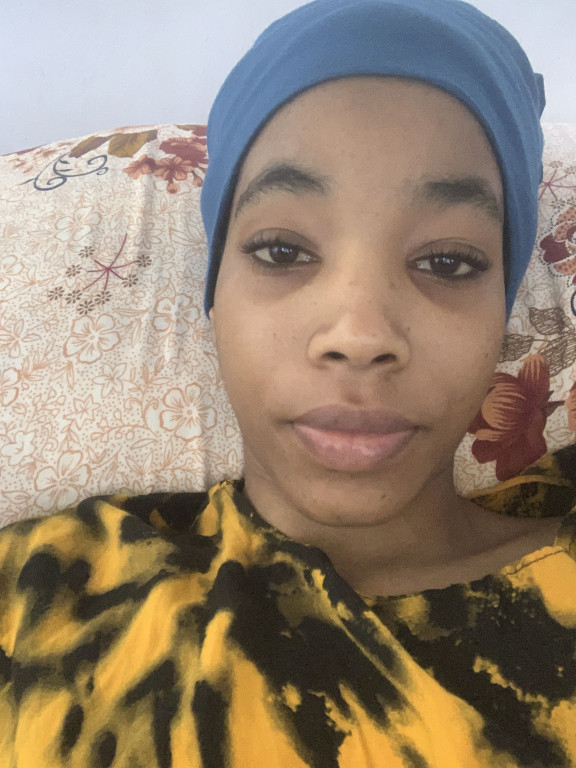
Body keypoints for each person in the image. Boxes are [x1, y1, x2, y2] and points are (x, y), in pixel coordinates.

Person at [1, 0, 575, 766]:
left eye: (447, 261)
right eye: (282, 251)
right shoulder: (38, 606)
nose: (358, 336)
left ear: (502, 309)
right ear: (213, 296)